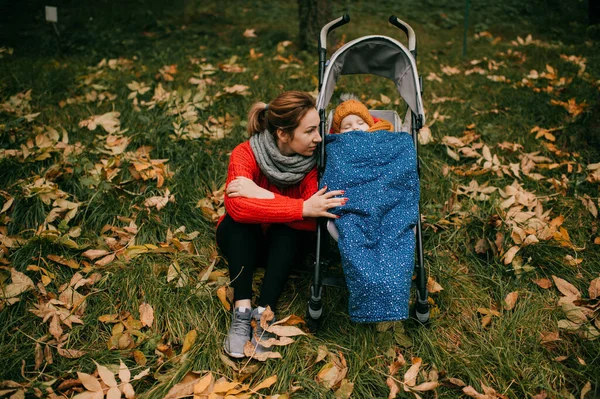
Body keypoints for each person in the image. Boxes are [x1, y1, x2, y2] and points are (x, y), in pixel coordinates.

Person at [217, 91, 346, 358]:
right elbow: (237, 207)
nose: (319, 138)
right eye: (309, 131)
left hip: (285, 249)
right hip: (243, 243)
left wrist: (260, 194)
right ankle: (241, 311)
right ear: (283, 134)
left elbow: (313, 217)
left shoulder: (315, 163)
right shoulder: (245, 153)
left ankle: (264, 313)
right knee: (240, 222)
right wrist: (299, 206)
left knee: (289, 229)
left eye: (318, 129)